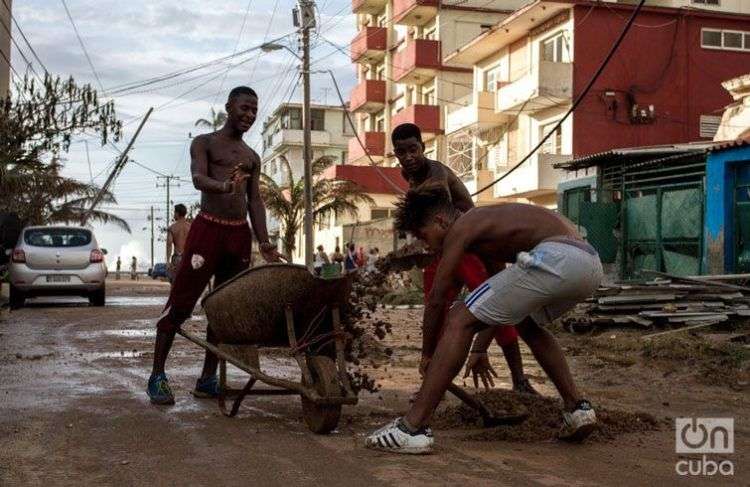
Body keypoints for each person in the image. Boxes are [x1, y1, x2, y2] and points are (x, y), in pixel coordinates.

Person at [366, 187, 603, 454]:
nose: (426, 246)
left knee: (458, 317)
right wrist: (479, 348)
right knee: (526, 324)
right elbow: (499, 304)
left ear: (441, 221)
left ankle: (412, 428)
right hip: (589, 263)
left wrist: (428, 354)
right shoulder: (488, 229)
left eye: (423, 236)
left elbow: (437, 298)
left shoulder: (462, 226)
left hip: (558, 256)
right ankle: (577, 408)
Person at [147, 86, 283, 406]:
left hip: (238, 237)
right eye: (244, 108)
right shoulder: (204, 143)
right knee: (181, 302)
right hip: (207, 231)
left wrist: (263, 243)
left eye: (254, 110)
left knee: (224, 310)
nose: (249, 115)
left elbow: (255, 201)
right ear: (228, 107)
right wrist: (224, 186)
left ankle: (207, 379)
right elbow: (198, 178)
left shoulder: (251, 157)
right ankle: (157, 376)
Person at [391, 124, 533, 390]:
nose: (408, 157)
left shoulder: (437, 175)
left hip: (469, 246)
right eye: (401, 152)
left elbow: (437, 214)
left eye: (413, 149)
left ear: (423, 147)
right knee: (435, 310)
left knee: (493, 301)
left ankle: (519, 380)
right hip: (442, 248)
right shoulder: (408, 175)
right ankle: (432, 379)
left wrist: (480, 348)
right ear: (396, 155)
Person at [166, 204, 192, 283]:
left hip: (177, 258)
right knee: (187, 283)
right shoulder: (191, 227)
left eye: (174, 212)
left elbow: (169, 244)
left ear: (177, 213)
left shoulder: (172, 228)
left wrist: (168, 261)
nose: (174, 214)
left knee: (175, 284)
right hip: (188, 258)